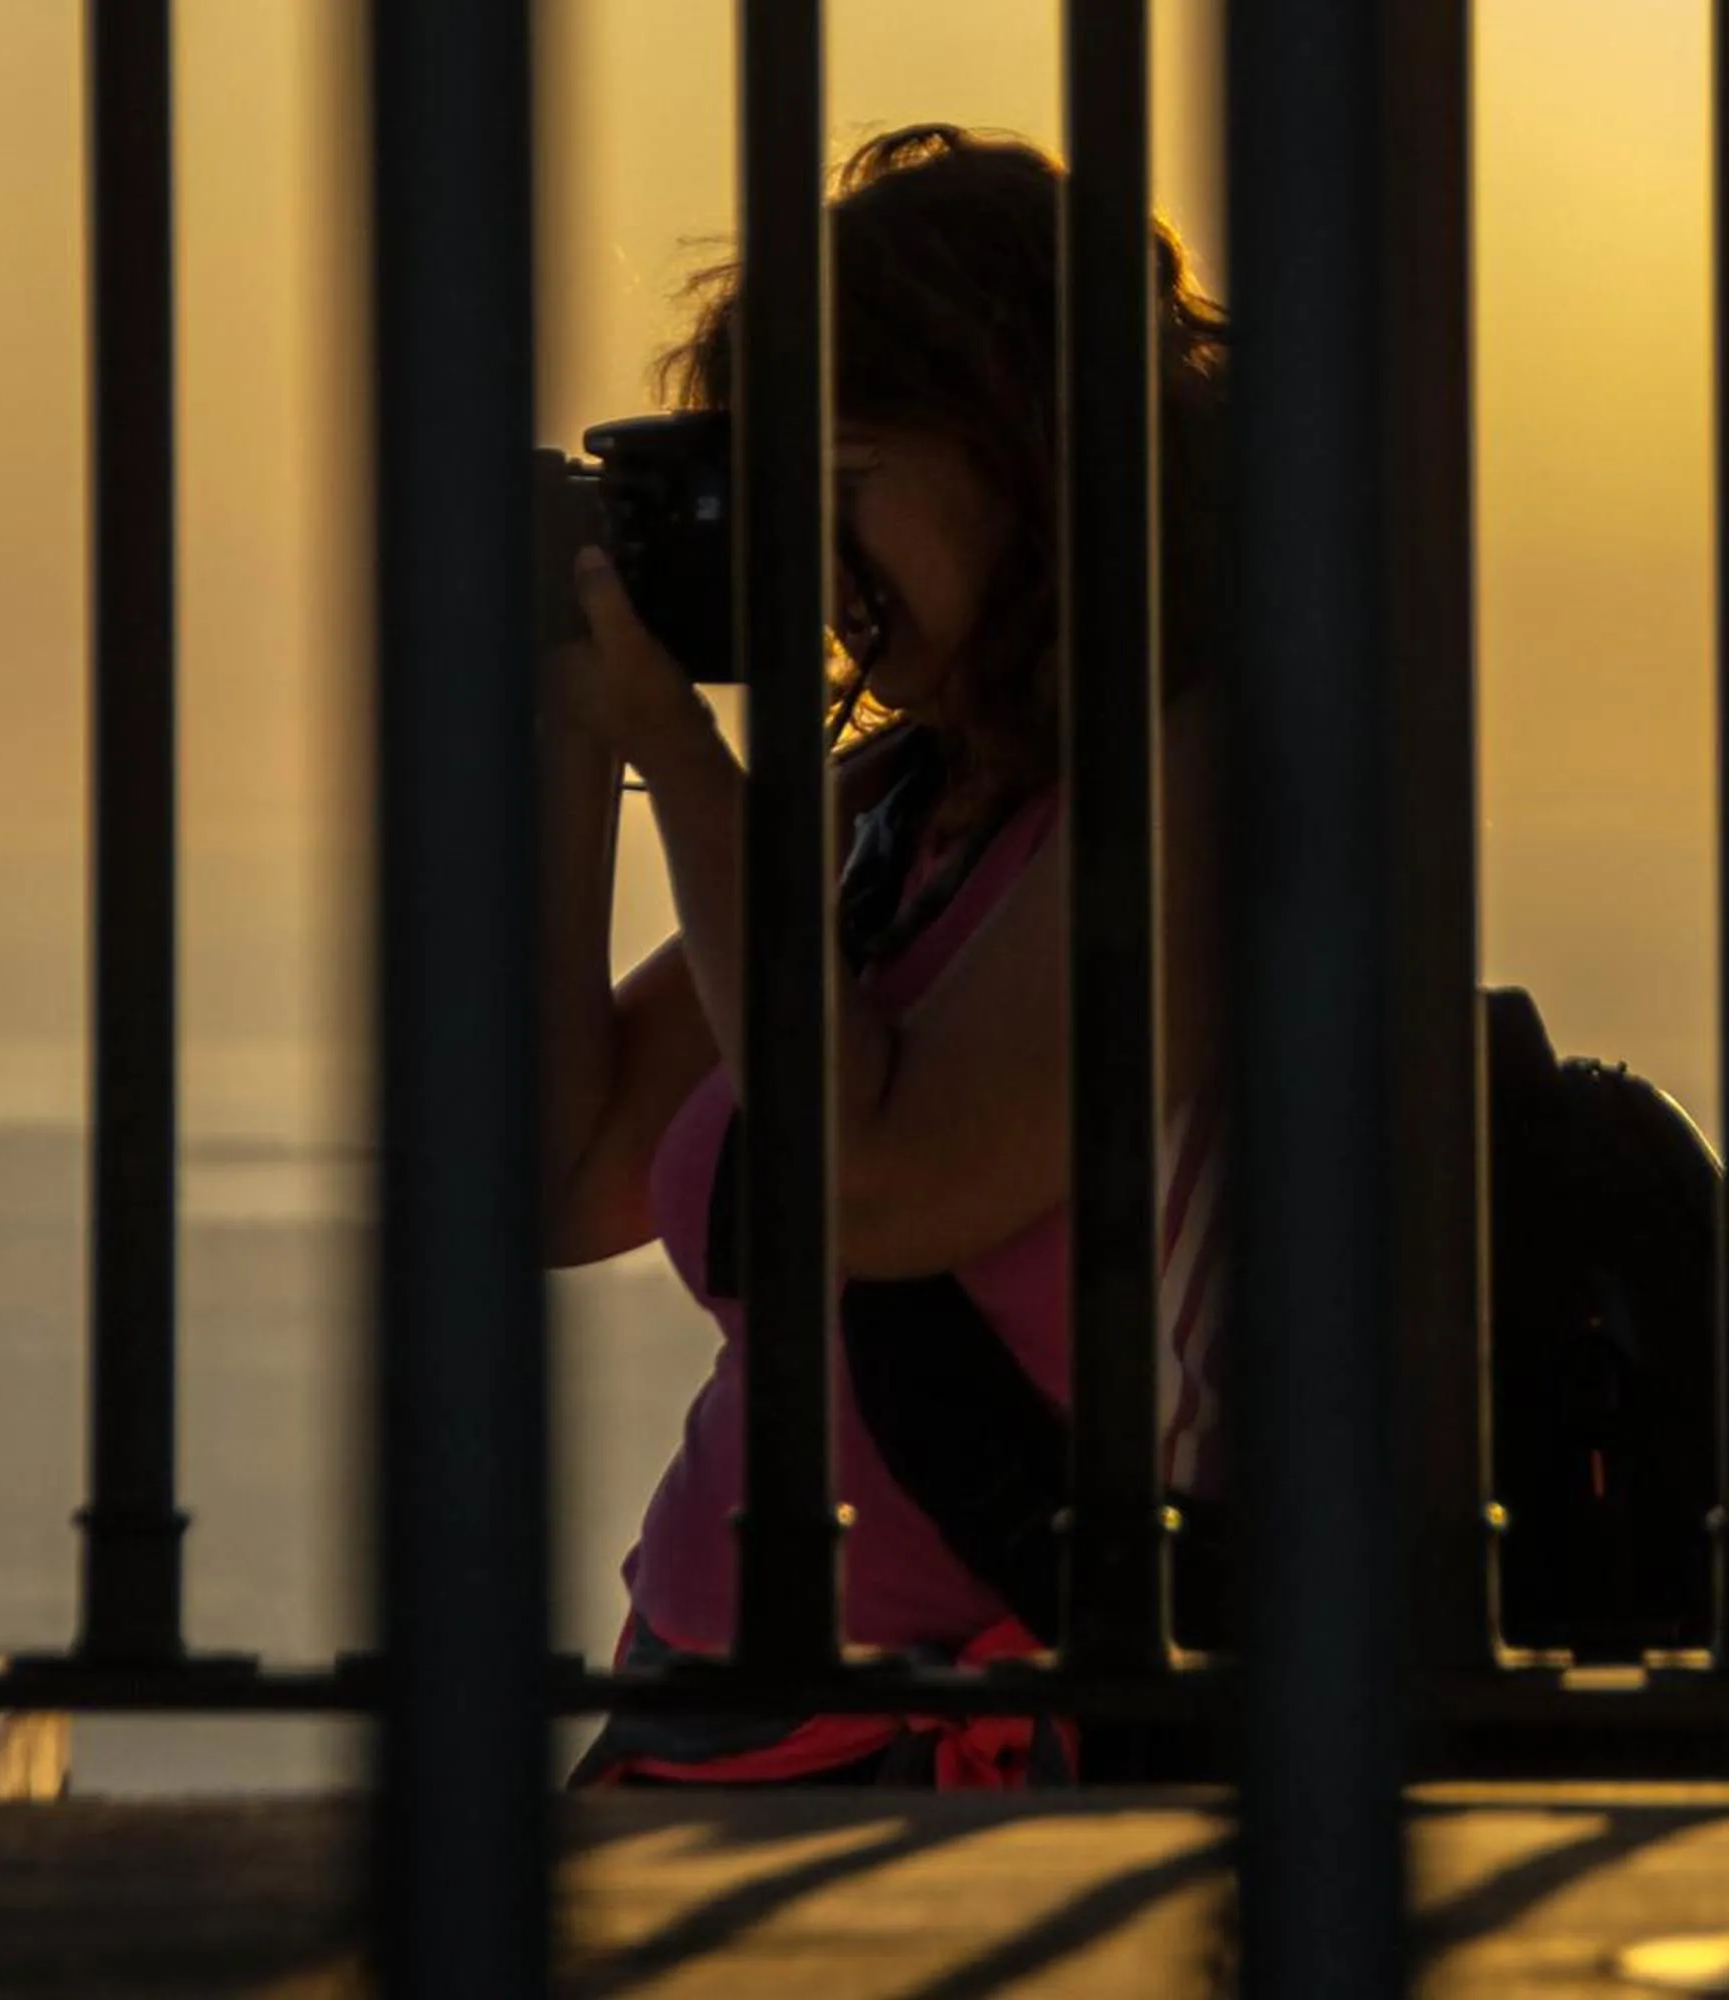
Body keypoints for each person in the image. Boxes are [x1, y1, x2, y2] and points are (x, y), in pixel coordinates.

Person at [540, 125, 1231, 1787]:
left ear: (1027, 454)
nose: (815, 573)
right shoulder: (889, 810)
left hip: (978, 1784)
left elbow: (882, 1181)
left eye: (841, 494)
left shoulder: (1209, 785)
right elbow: (559, 1182)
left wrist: (695, 774)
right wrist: (576, 743)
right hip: (708, 1742)